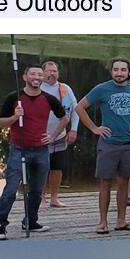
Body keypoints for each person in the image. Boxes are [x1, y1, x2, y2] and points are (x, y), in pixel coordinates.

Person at [0, 63, 67, 240]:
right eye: (33, 74)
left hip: (41, 150)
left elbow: (64, 118)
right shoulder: (14, 98)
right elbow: (0, 123)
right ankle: (0, 225)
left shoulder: (49, 98)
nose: (37, 78)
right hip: (19, 149)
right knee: (11, 189)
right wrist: (15, 117)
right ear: (25, 77)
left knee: (36, 190)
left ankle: (31, 221)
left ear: (43, 78)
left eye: (40, 75)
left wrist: (53, 136)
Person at [77, 57, 130, 234]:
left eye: (123, 70)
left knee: (124, 183)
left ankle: (121, 221)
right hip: (108, 143)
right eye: (116, 70)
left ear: (129, 72)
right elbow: (79, 107)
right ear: (111, 71)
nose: (119, 73)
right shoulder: (102, 89)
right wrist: (94, 128)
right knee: (105, 183)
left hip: (129, 143)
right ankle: (102, 222)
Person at [39, 61, 78, 209]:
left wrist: (73, 129)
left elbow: (75, 109)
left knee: (57, 167)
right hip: (41, 136)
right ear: (43, 73)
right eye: (48, 71)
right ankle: (41, 198)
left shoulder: (65, 89)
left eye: (54, 71)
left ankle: (54, 198)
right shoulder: (37, 89)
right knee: (42, 167)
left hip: (60, 135)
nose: (51, 74)